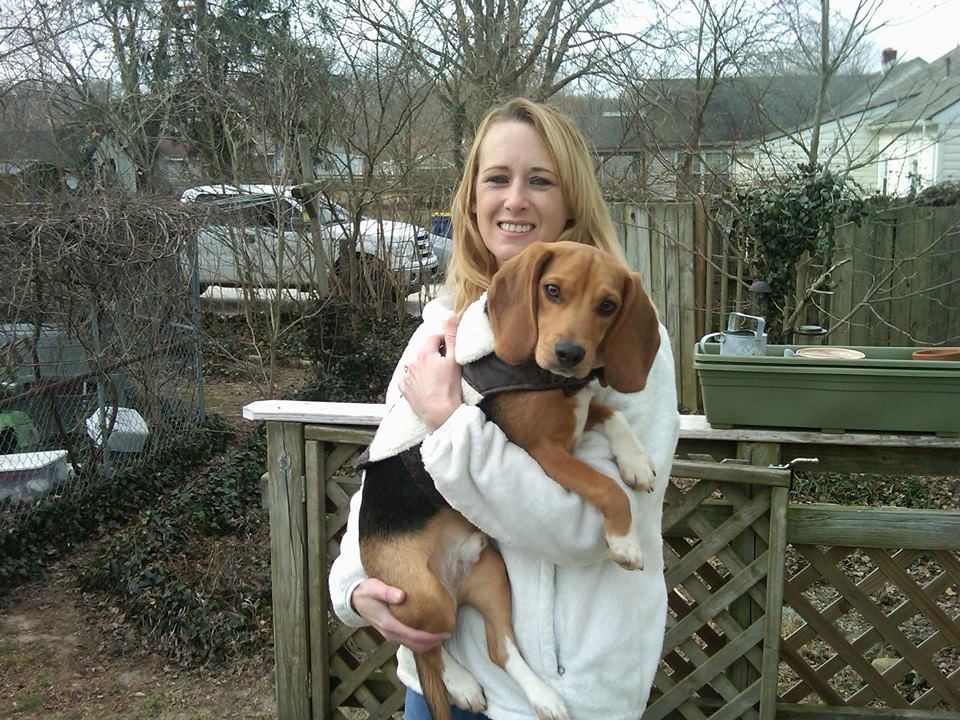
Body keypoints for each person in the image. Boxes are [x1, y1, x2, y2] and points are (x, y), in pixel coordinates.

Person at [329, 97, 680, 720]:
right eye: (497, 179)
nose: (515, 200)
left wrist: (452, 427)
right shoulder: (440, 331)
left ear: (572, 203)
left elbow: (585, 533)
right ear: (472, 200)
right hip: (441, 673)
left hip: (562, 695)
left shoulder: (624, 337)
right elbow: (386, 468)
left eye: (539, 181)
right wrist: (355, 587)